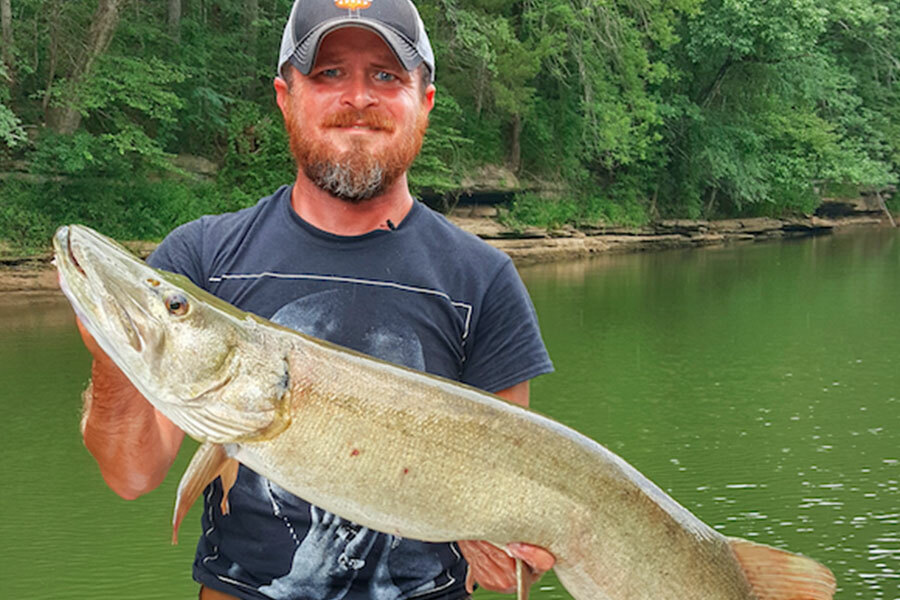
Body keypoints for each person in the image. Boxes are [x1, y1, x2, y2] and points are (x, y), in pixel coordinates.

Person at [75, 1, 555, 598]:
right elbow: (130, 474)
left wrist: (516, 554)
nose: (358, 97)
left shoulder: (484, 281)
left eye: (386, 75)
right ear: (286, 96)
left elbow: (513, 508)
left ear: (424, 103)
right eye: (329, 73)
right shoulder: (201, 260)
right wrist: (114, 353)